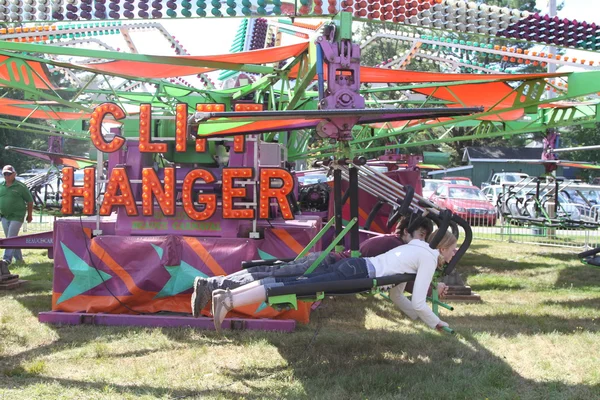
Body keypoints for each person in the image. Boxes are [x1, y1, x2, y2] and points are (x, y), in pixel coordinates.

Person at [211, 230, 457, 332]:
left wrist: (416, 319)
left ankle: (228, 298)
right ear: (443, 248)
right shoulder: (427, 258)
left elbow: (396, 295)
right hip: (358, 273)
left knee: (294, 282)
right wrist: (438, 324)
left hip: (355, 267)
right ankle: (228, 300)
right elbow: (418, 302)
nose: (454, 254)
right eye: (453, 249)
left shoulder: (416, 249)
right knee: (293, 286)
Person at [190, 215, 434, 317]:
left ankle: (215, 284)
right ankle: (214, 284)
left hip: (327, 260)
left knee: (271, 271)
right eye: (421, 234)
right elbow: (369, 259)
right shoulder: (393, 244)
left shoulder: (394, 243)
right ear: (409, 231)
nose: (421, 240)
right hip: (328, 264)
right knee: (272, 276)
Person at [0, 165, 33, 265]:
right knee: (12, 238)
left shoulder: (21, 187)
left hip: (17, 216)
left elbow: (30, 201)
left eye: (9, 174)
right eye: (5, 174)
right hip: (4, 216)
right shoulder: (1, 185)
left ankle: (6, 260)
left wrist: (29, 215)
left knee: (10, 238)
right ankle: (19, 259)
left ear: (14, 174)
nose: (7, 176)